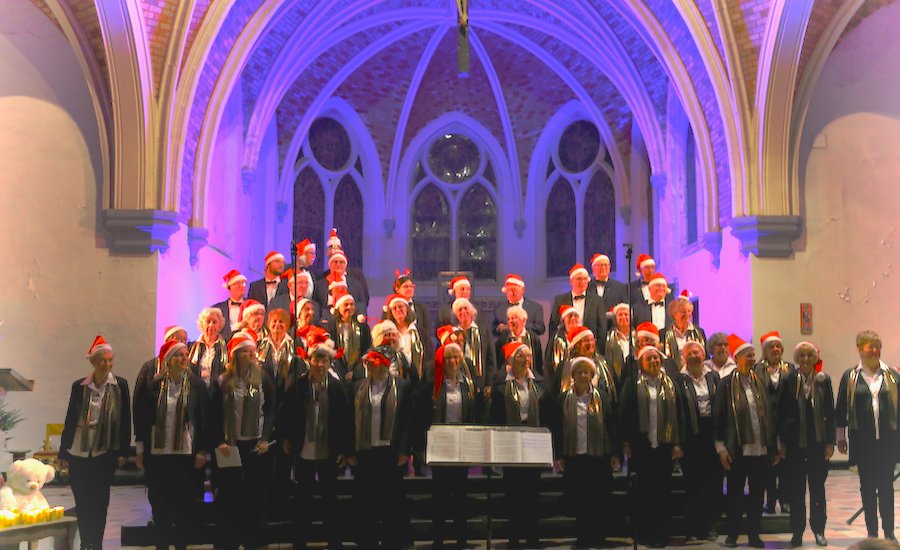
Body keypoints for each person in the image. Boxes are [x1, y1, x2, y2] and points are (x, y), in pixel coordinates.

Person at [133, 339, 209, 550]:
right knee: (160, 505)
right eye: (178, 355)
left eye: (185, 355)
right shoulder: (153, 385)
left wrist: (202, 450)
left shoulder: (197, 385)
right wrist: (140, 450)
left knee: (184, 504)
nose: (184, 359)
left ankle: (181, 546)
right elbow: (142, 419)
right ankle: (162, 545)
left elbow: (204, 419)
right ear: (168, 360)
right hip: (159, 452)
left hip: (186, 452)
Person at [59, 336, 132, 550]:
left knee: (100, 502)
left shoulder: (120, 386)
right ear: (93, 361)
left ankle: (96, 543)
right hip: (79, 452)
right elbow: (70, 419)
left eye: (110, 360)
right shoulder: (79, 386)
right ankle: (85, 542)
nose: (107, 364)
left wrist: (124, 449)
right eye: (103, 360)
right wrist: (63, 451)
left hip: (104, 452)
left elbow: (125, 419)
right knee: (82, 501)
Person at [209, 331, 276, 550]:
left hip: (255, 445)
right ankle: (228, 541)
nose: (250, 355)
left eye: (252, 351)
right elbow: (214, 414)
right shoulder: (223, 381)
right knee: (229, 496)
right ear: (235, 355)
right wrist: (219, 440)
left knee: (254, 495)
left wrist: (266, 438)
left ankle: (252, 540)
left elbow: (271, 409)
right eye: (245, 352)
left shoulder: (263, 377)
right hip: (230, 446)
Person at [285, 331, 352, 550]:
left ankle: (334, 541)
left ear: (330, 363)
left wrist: (345, 450)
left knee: (330, 499)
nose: (320, 364)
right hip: (303, 448)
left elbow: (345, 421)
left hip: (328, 450)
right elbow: (287, 413)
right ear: (309, 361)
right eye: (316, 360)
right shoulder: (298, 385)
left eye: (324, 360)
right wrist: (287, 438)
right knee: (302, 498)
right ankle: (299, 541)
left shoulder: (337, 387)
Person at [714, 334, 779, 549]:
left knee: (757, 495)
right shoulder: (725, 385)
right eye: (748, 356)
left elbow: (770, 414)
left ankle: (754, 534)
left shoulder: (760, 381)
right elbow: (719, 418)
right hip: (737, 449)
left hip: (760, 449)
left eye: (753, 356)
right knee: (734, 494)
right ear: (738, 357)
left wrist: (774, 445)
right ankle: (733, 534)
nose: (752, 359)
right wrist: (721, 448)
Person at [836, 330, 899, 541]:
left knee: (886, 487)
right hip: (863, 443)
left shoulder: (892, 375)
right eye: (870, 346)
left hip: (888, 442)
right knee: (868, 488)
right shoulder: (850, 376)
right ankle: (872, 533)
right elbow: (841, 408)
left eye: (877, 346)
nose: (874, 350)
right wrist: (840, 436)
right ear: (859, 349)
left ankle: (889, 533)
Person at [618, 345, 684, 548]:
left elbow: (679, 413)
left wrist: (677, 442)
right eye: (649, 359)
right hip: (642, 445)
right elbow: (625, 414)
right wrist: (626, 442)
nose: (654, 362)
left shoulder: (670, 384)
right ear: (641, 363)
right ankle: (644, 532)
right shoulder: (632, 384)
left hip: (664, 444)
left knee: (663, 490)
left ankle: (662, 534)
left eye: (656, 358)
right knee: (644, 491)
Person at [350, 346, 414, 550]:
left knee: (391, 501)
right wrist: (350, 451)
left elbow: (407, 421)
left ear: (384, 365)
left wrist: (405, 450)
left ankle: (392, 541)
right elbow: (348, 421)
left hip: (391, 452)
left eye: (373, 361)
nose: (369, 365)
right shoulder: (357, 386)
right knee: (366, 500)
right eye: (368, 362)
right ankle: (367, 541)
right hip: (365, 450)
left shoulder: (402, 387)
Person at [553, 356, 618, 548]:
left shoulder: (603, 397)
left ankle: (598, 537)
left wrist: (614, 453)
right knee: (580, 499)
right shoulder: (563, 399)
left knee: (598, 499)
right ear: (572, 375)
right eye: (579, 372)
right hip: (574, 456)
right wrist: (558, 456)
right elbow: (557, 428)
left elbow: (611, 426)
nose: (583, 375)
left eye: (586, 371)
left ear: (592, 375)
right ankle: (582, 537)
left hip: (598, 456)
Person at [417, 341, 477, 549]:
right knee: (440, 494)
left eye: (456, 357)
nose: (452, 361)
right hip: (440, 443)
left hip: (461, 441)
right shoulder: (433, 385)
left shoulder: (467, 384)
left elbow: (473, 414)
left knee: (461, 493)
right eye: (448, 358)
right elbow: (422, 415)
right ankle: (438, 539)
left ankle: (461, 539)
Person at [491, 341, 547, 549]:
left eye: (528, 356)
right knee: (513, 492)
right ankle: (514, 537)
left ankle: (533, 536)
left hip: (534, 441)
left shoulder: (539, 384)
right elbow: (495, 419)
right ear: (511, 360)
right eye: (522, 356)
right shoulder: (500, 387)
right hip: (510, 442)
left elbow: (547, 415)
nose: (526, 360)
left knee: (532, 491)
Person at [779, 341, 835, 547]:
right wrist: (782, 442)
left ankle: (819, 530)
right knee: (796, 492)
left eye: (809, 355)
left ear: (815, 358)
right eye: (801, 356)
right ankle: (797, 533)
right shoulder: (788, 380)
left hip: (818, 445)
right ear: (796, 359)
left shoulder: (824, 380)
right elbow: (781, 413)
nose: (805, 359)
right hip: (794, 445)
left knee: (818, 490)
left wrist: (830, 442)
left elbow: (830, 412)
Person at [676, 340, 721, 542]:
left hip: (711, 436)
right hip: (690, 438)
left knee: (712, 484)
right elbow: (676, 412)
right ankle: (692, 527)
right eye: (690, 353)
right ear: (684, 357)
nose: (694, 356)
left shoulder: (713, 377)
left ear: (704, 356)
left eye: (697, 353)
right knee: (692, 483)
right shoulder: (678, 379)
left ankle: (710, 525)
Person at [754, 330, 795, 515]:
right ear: (764, 350)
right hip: (765, 425)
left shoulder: (790, 368)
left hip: (786, 423)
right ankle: (770, 501)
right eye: (771, 347)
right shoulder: (757, 369)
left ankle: (785, 500)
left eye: (778, 346)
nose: (775, 349)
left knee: (786, 466)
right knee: (768, 466)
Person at [549, 264, 606, 350]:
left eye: (585, 279)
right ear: (571, 281)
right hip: (566, 349)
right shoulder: (560, 300)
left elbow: (602, 329)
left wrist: (597, 351)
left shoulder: (597, 301)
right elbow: (553, 326)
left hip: (590, 350)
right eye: (579, 279)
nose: (582, 282)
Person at [324, 288, 372, 383]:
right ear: (338, 308)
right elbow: (330, 351)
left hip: (359, 373)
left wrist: (356, 372)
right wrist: (342, 371)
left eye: (352, 304)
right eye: (346, 305)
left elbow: (367, 348)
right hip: (337, 372)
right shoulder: (330, 327)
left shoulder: (362, 326)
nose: (349, 307)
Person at [384, 293, 433, 384]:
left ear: (407, 309)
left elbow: (429, 357)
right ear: (391, 313)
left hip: (419, 382)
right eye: (394, 308)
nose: (398, 310)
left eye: (400, 306)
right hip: (394, 383)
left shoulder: (420, 332)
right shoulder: (388, 334)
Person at [453, 297, 497, 391]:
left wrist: (489, 384)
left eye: (466, 308)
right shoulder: (453, 333)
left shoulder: (483, 330)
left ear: (472, 311)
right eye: (459, 310)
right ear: (456, 315)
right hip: (459, 381)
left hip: (481, 381)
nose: (463, 312)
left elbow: (491, 358)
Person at [660, 290, 706, 370]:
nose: (687, 315)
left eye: (689, 311)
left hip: (695, 373)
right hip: (673, 375)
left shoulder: (699, 332)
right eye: (683, 312)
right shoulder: (663, 333)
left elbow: (706, 356)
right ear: (674, 314)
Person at [313, 246, 367, 312]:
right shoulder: (319, 285)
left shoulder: (356, 284)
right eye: (335, 262)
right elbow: (316, 306)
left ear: (345, 265)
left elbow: (362, 305)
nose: (338, 264)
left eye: (341, 262)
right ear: (329, 265)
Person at [495, 305, 543, 378]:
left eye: (514, 318)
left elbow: (538, 364)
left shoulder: (533, 338)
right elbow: (498, 363)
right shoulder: (503, 339)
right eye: (509, 319)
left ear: (523, 321)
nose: (510, 321)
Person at [392, 269, 433, 349]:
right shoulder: (391, 308)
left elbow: (427, 329)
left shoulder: (421, 307)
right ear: (397, 289)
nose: (410, 289)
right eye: (406, 287)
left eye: (411, 286)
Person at [188, 308, 228, 390]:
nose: (211, 325)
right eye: (208, 321)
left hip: (218, 391)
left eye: (214, 322)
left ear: (220, 325)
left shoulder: (226, 347)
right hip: (195, 391)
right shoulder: (191, 347)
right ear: (202, 325)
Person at [544, 305, 581, 382]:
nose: (573, 318)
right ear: (564, 320)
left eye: (576, 316)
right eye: (570, 316)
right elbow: (548, 365)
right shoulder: (555, 340)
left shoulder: (585, 337)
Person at [213, 269, 248, 341]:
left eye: (243, 283)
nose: (241, 286)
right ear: (229, 287)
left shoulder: (252, 307)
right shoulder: (217, 309)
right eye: (237, 283)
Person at [605, 303, 632, 381]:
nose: (623, 317)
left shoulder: (637, 337)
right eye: (620, 315)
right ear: (615, 319)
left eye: (626, 314)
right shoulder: (608, 338)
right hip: (616, 379)